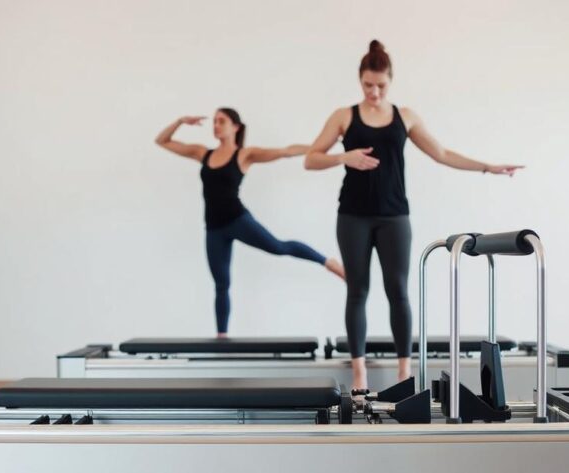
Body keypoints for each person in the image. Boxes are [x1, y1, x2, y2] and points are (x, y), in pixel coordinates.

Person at [304, 40, 523, 389]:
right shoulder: (344, 116)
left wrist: (488, 167)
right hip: (353, 217)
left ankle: (404, 371)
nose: (374, 92)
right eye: (367, 85)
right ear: (360, 81)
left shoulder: (405, 116)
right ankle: (359, 372)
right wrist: (343, 157)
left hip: (394, 217)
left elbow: (442, 153)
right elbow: (310, 158)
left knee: (398, 291)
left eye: (381, 86)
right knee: (357, 291)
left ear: (390, 81)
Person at [156, 108, 346, 337]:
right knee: (221, 284)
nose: (216, 125)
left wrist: (320, 147)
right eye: (214, 122)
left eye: (221, 121)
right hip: (214, 228)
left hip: (238, 220)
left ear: (236, 127)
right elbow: (162, 141)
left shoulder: (245, 155)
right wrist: (180, 121)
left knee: (278, 247)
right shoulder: (202, 153)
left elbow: (285, 151)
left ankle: (329, 263)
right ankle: (222, 337)